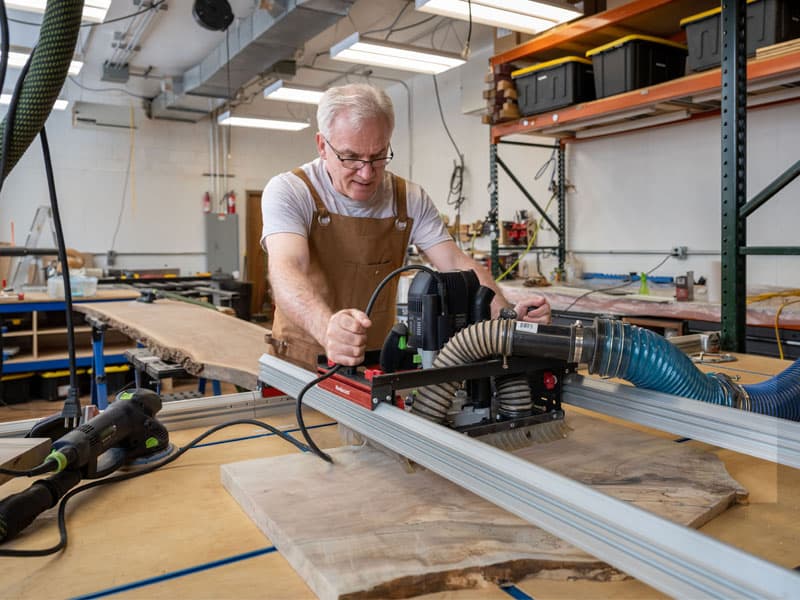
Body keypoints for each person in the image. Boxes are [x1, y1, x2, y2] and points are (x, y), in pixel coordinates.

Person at [261, 83, 550, 370]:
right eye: (351, 157)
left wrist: (507, 317)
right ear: (323, 146)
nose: (366, 173)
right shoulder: (291, 191)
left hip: (375, 364)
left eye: (378, 156)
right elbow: (287, 269)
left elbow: (456, 264)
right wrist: (327, 329)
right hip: (299, 365)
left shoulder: (409, 199)